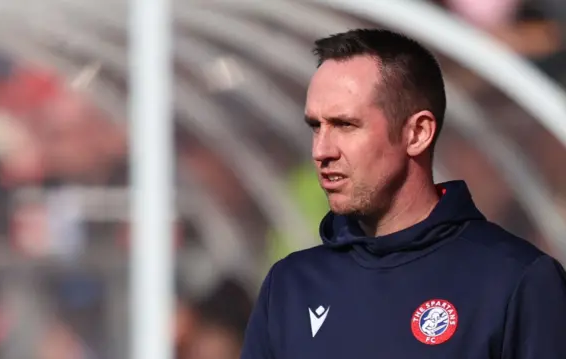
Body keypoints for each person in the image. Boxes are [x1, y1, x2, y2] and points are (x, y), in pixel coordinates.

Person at [240, 29, 566, 359]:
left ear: (418, 133)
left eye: (345, 125)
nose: (322, 150)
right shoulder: (290, 285)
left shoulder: (516, 279)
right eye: (316, 126)